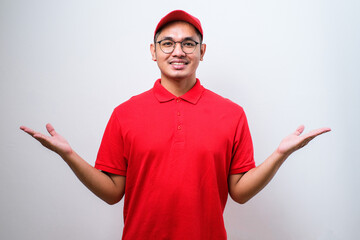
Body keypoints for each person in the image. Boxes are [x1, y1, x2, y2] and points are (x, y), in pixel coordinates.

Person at [20, 10, 330, 240]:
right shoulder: (124, 113)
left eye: (188, 44)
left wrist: (279, 154)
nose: (178, 51)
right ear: (153, 52)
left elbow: (239, 192)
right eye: (167, 44)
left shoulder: (232, 113)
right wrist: (69, 154)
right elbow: (113, 191)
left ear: (202, 52)